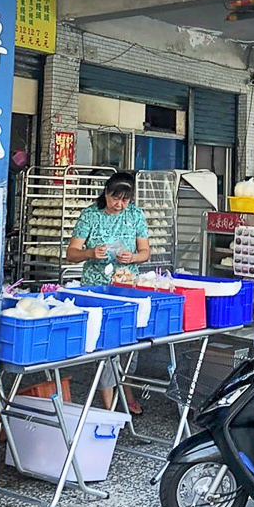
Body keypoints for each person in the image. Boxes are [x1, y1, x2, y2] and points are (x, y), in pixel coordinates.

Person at [66, 172, 150, 414]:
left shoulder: (135, 215)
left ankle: (126, 390)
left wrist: (132, 257)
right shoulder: (90, 215)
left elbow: (145, 251)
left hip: (127, 286)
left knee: (131, 343)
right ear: (106, 193)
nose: (120, 205)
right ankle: (109, 405)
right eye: (116, 198)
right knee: (108, 345)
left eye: (125, 200)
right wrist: (90, 253)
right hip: (97, 289)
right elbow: (71, 253)